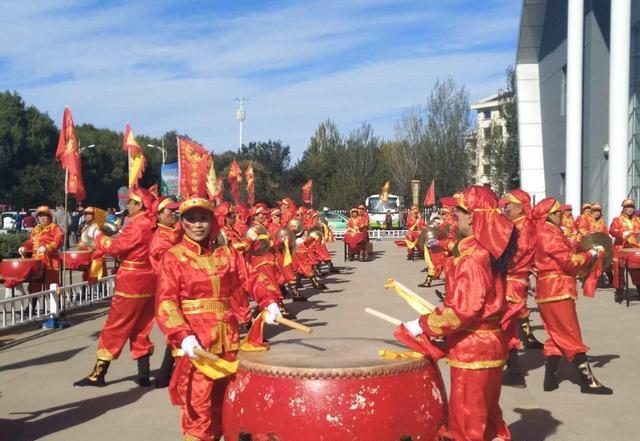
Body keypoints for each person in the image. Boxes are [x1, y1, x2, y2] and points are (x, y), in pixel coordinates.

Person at [155, 197, 282, 441]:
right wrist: (183, 336)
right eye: (191, 219)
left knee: (230, 408)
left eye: (203, 218)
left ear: (213, 221)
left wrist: (269, 300)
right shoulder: (174, 257)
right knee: (199, 412)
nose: (198, 225)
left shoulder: (227, 254)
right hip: (196, 348)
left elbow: (251, 277)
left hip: (229, 344)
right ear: (182, 222)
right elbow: (166, 302)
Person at [403, 185, 515, 441]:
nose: (455, 217)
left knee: (468, 421)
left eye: (459, 212)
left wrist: (423, 325)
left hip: (473, 348)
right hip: (489, 342)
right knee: (488, 417)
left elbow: (462, 313)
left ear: (473, 216)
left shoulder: (474, 258)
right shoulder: (487, 250)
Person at [74, 188, 157, 388]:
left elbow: (115, 247)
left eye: (131, 202)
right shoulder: (152, 224)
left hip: (131, 281)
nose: (127, 205)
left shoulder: (138, 225)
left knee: (115, 326)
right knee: (141, 327)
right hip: (149, 280)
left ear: (140, 205)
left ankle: (98, 374)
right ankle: (143, 374)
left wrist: (98, 235)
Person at [532, 197, 612, 394]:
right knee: (570, 334)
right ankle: (587, 381)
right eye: (559, 213)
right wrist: (592, 254)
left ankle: (549, 380)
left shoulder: (544, 231)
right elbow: (569, 262)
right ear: (549, 215)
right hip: (557, 290)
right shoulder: (549, 233)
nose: (563, 215)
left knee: (554, 336)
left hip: (548, 290)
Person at [498, 190, 543, 389]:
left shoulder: (522, 228)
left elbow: (517, 255)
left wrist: (492, 261)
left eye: (508, 205)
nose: (505, 208)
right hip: (514, 280)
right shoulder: (518, 225)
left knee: (506, 326)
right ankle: (513, 368)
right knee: (509, 324)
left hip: (512, 282)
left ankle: (515, 373)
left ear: (519, 207)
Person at [148, 196, 180, 389]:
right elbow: (172, 259)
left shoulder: (172, 232)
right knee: (177, 330)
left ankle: (165, 375)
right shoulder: (160, 238)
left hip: (177, 286)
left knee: (180, 331)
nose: (173, 213)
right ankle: (165, 376)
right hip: (169, 289)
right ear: (158, 215)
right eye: (170, 210)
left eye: (175, 210)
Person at [18, 206, 64, 293]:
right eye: (39, 216)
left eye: (44, 216)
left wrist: (47, 247)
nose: (41, 218)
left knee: (51, 284)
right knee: (34, 284)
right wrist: (24, 247)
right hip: (36, 261)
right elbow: (30, 241)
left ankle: (54, 304)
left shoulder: (55, 227)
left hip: (49, 260)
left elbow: (59, 240)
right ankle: (33, 305)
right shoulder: (36, 228)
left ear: (49, 217)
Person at [609, 198, 640, 302]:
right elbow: (612, 231)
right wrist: (622, 233)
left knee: (636, 270)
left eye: (631, 207)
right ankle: (619, 292)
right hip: (620, 248)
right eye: (627, 207)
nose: (629, 209)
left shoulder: (638, 219)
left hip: (634, 248)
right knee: (619, 271)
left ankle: (639, 289)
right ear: (623, 208)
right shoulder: (617, 219)